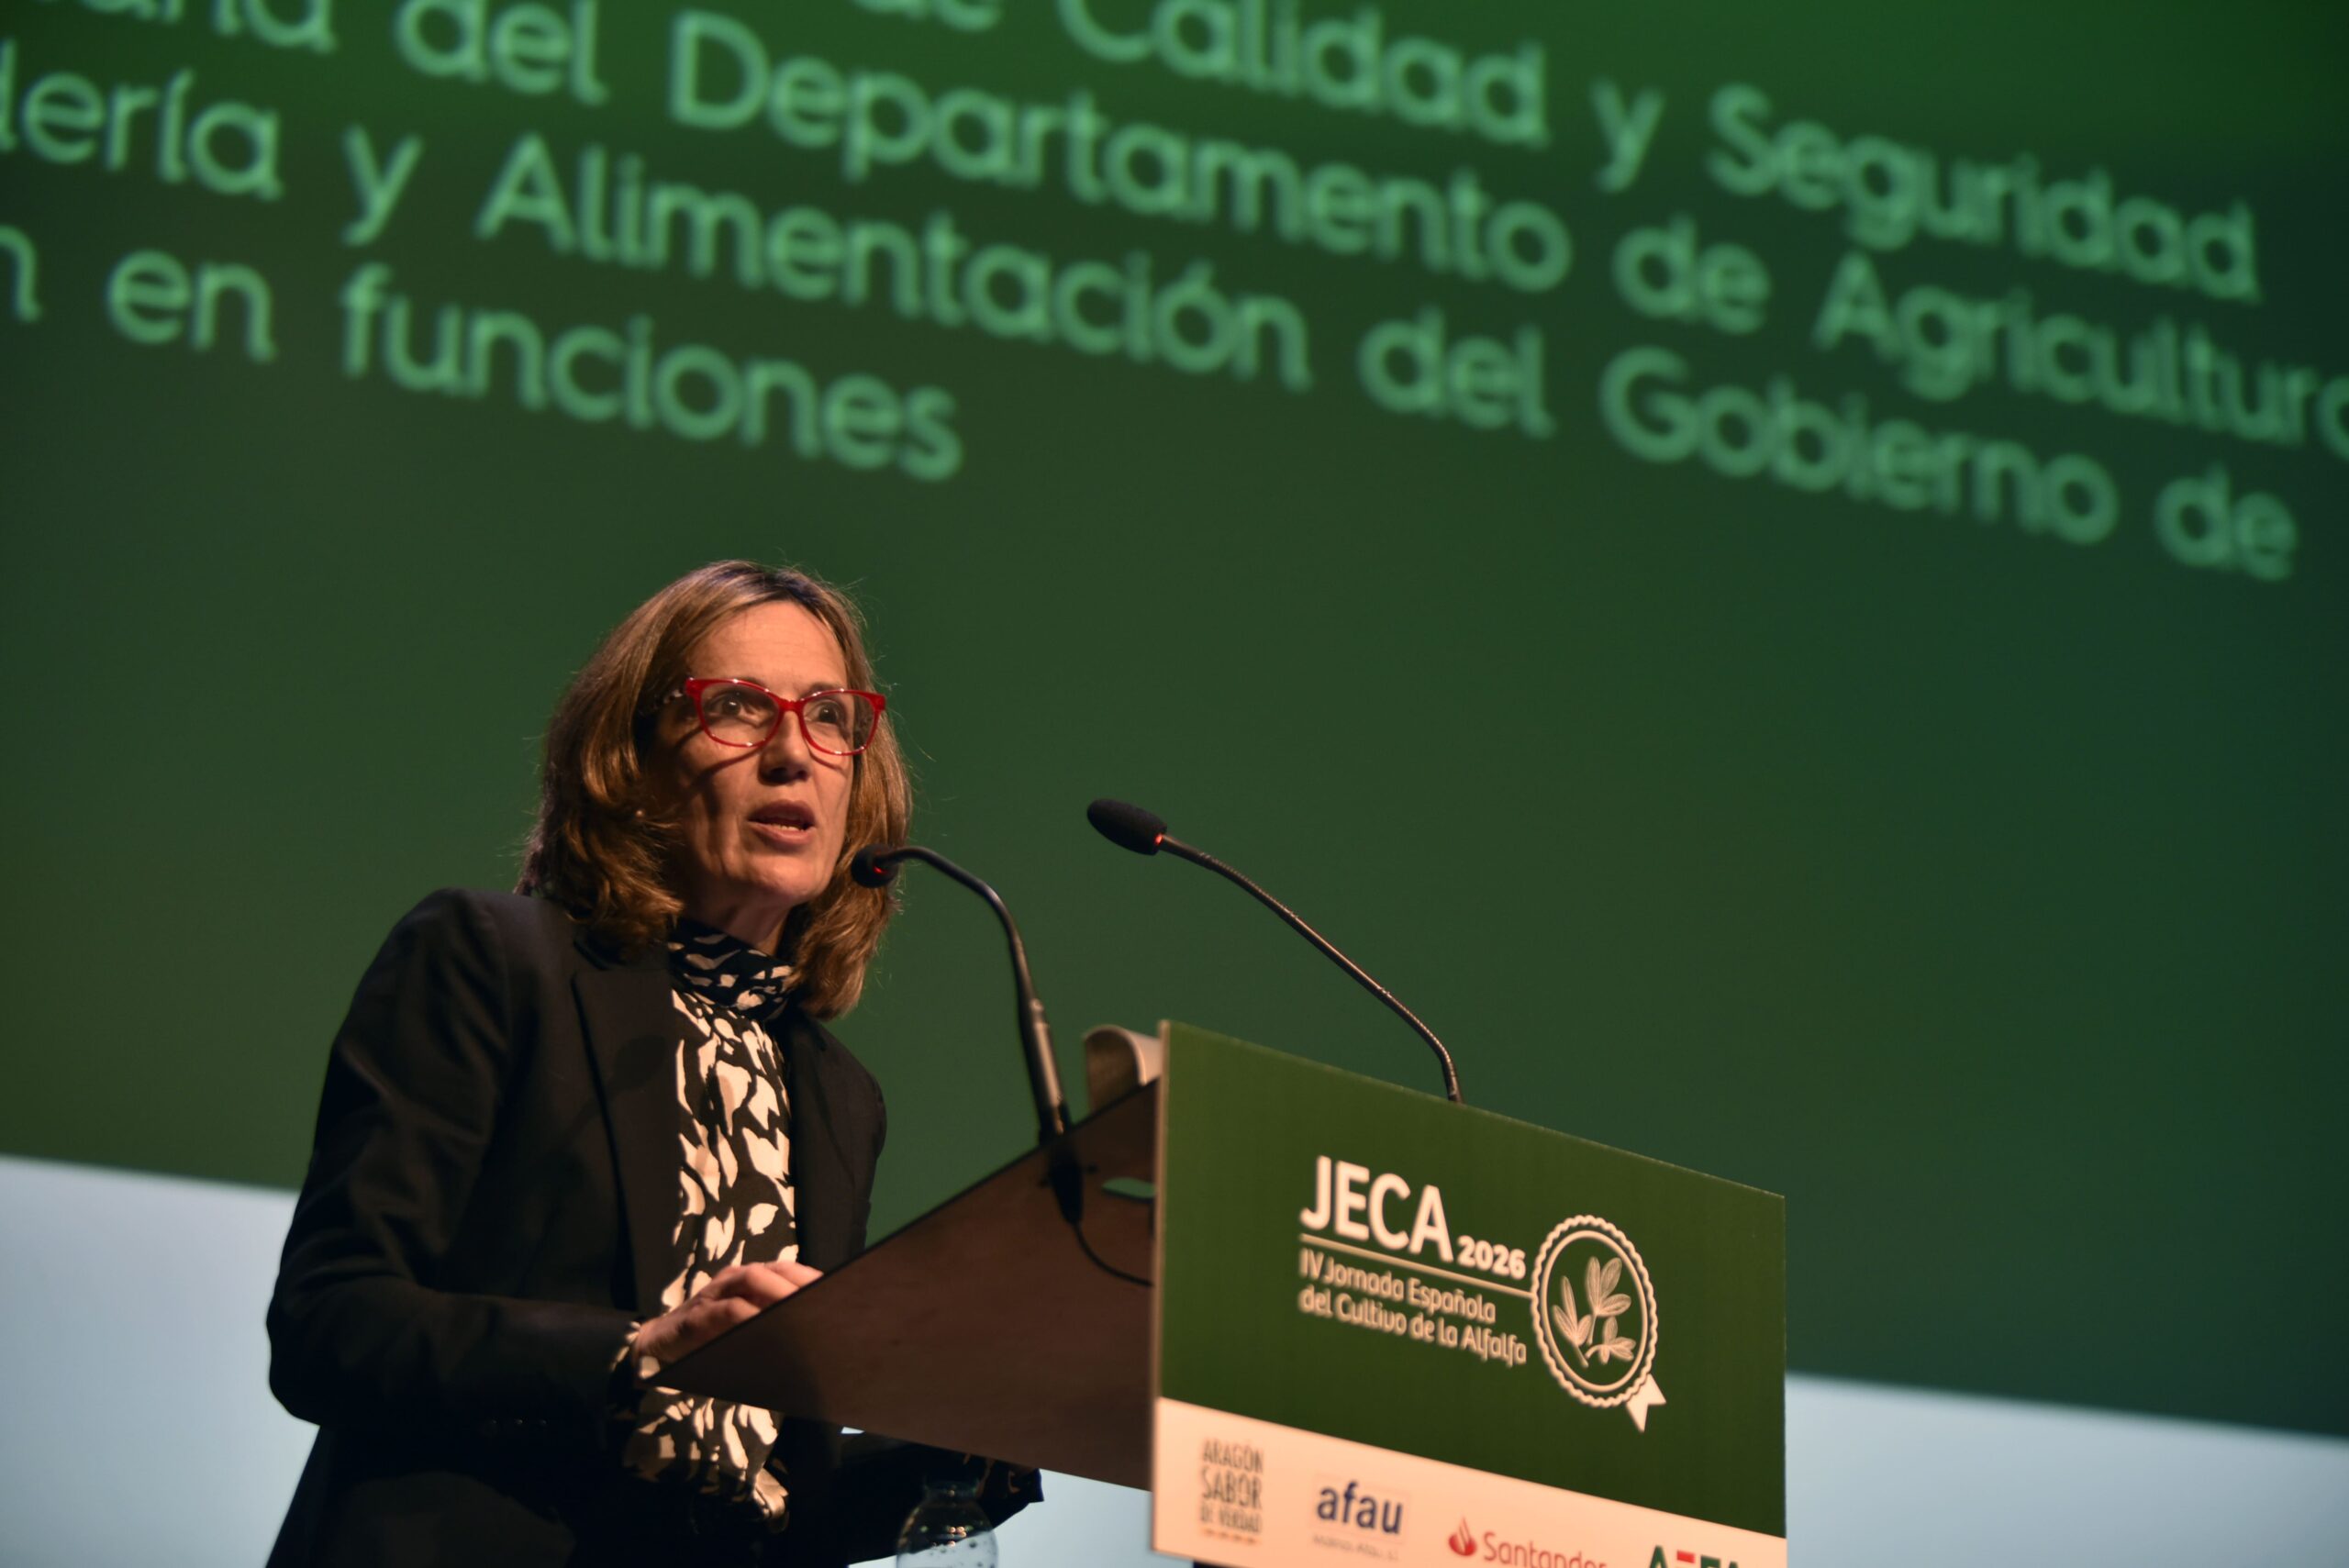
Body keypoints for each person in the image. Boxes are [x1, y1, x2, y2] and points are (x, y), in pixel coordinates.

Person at [266, 561, 1032, 1566]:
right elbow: (330, 1322)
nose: (792, 756)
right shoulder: (494, 962)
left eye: (828, 717)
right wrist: (630, 1355)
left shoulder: (837, 1094)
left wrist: (988, 1440)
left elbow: (766, 1493)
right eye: (737, 708)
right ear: (630, 760)